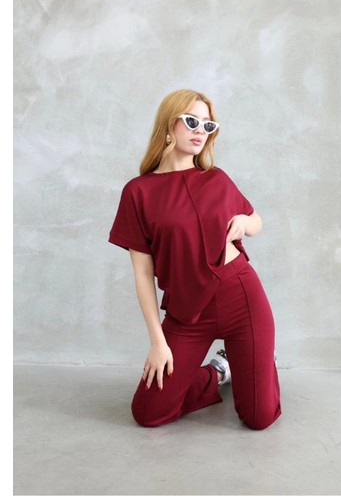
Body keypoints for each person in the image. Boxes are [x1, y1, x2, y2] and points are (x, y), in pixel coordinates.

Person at [108, 89, 282, 430]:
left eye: (208, 124)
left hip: (241, 296)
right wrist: (158, 343)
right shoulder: (138, 192)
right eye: (191, 121)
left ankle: (256, 364)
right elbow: (142, 275)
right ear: (169, 124)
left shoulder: (217, 179)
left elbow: (256, 221)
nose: (200, 130)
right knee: (148, 413)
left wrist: (244, 222)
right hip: (188, 312)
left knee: (259, 417)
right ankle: (220, 371)